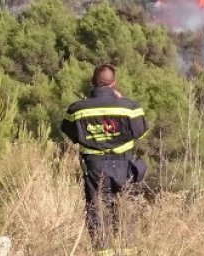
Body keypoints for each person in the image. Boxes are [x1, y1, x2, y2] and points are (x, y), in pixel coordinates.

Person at [61, 64, 148, 255]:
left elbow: (69, 132)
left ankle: (103, 251)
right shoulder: (129, 108)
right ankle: (128, 251)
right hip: (124, 166)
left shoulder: (77, 109)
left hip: (94, 168)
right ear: (114, 83)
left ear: (92, 83)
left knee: (98, 211)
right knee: (126, 210)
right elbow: (140, 131)